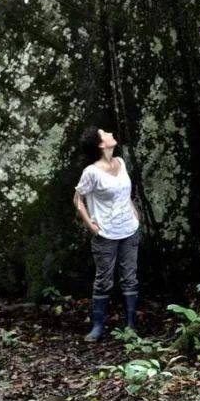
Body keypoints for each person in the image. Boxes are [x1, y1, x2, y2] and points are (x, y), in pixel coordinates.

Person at [72, 126, 142, 341]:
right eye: (105, 134)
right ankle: (98, 326)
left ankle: (130, 325)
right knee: (104, 280)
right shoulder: (91, 172)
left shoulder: (120, 162)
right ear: (101, 144)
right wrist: (90, 224)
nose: (110, 133)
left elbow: (125, 193)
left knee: (130, 277)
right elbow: (78, 199)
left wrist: (135, 214)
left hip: (129, 229)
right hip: (106, 233)